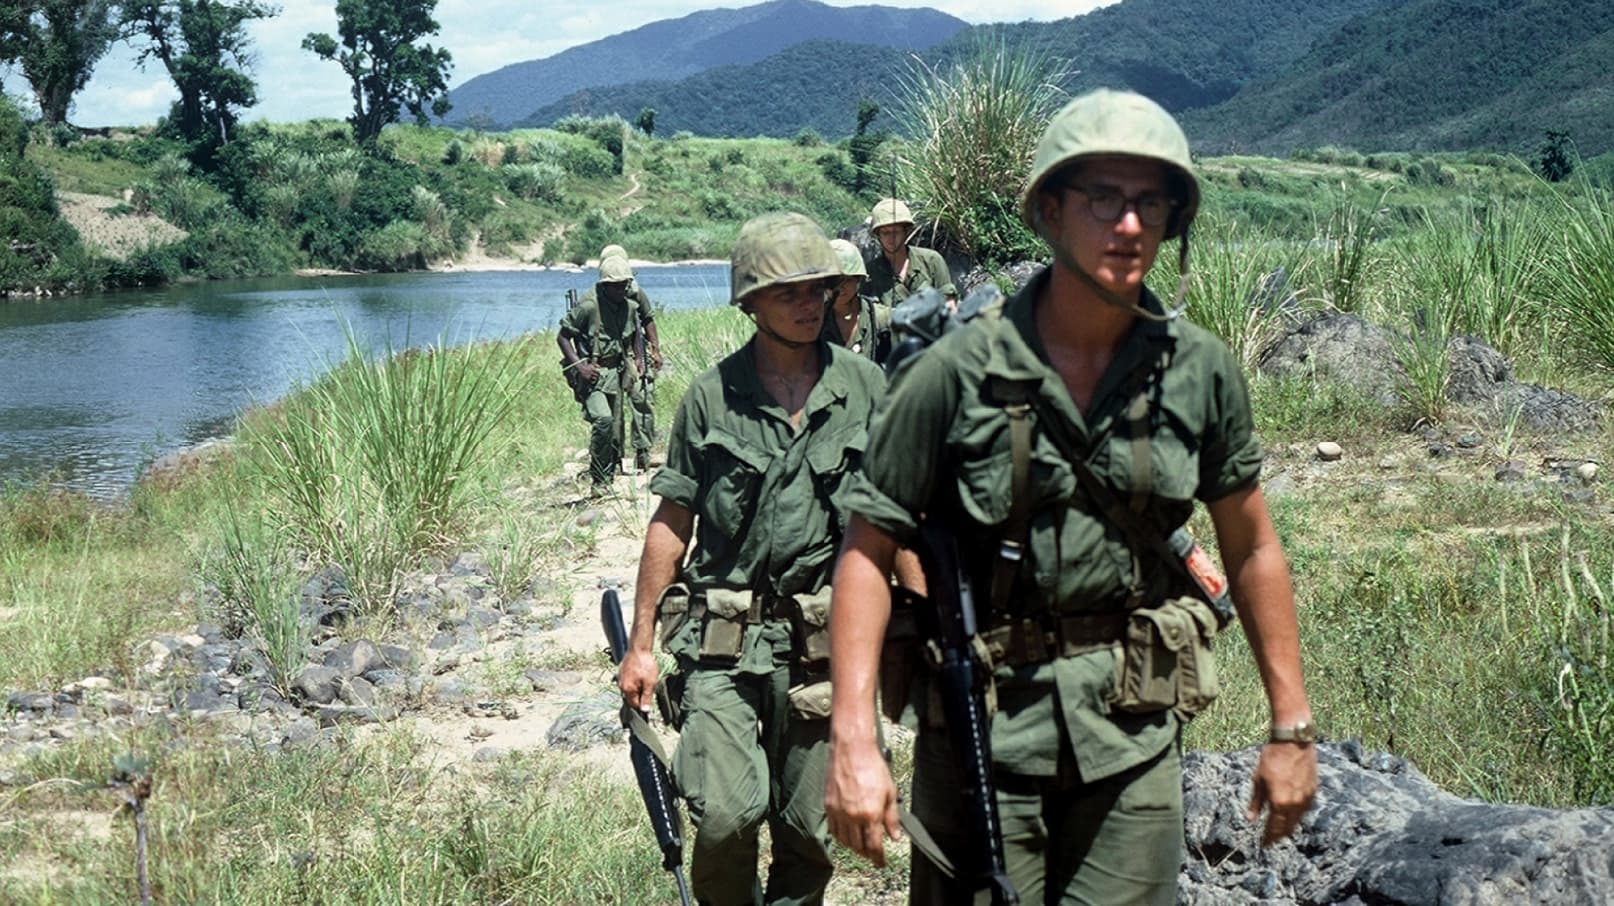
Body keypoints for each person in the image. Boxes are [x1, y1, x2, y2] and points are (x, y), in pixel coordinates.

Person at [823, 89, 1319, 904]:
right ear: (1050, 212)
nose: (1129, 224)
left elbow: (1253, 544)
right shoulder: (953, 374)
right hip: (980, 735)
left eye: (1151, 203)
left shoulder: (1198, 371)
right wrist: (854, 736)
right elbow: (868, 552)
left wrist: (1291, 726)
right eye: (1103, 198)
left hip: (1131, 739)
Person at [617, 211, 889, 906]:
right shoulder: (712, 398)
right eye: (787, 292)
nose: (809, 305)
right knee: (727, 815)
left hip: (821, 647)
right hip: (723, 647)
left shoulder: (866, 389)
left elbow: (897, 521)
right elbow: (672, 521)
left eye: (817, 289)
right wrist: (641, 646)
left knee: (808, 829)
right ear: (752, 303)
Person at [557, 255, 662, 495]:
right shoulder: (588, 307)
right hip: (592, 374)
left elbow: (635, 333)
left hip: (616, 371)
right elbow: (563, 337)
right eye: (616, 286)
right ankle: (599, 480)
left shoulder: (629, 306)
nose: (621, 290)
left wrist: (639, 358)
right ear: (605, 285)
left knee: (614, 427)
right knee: (603, 420)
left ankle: (609, 473)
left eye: (624, 285)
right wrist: (580, 367)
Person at [863, 198, 956, 308]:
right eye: (885, 233)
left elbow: (950, 305)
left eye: (896, 231)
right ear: (877, 235)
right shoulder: (870, 273)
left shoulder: (931, 261)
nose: (891, 238)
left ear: (906, 231)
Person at [822, 237, 893, 364]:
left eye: (847, 280)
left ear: (858, 280)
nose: (839, 287)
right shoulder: (813, 321)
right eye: (832, 280)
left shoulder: (881, 319)